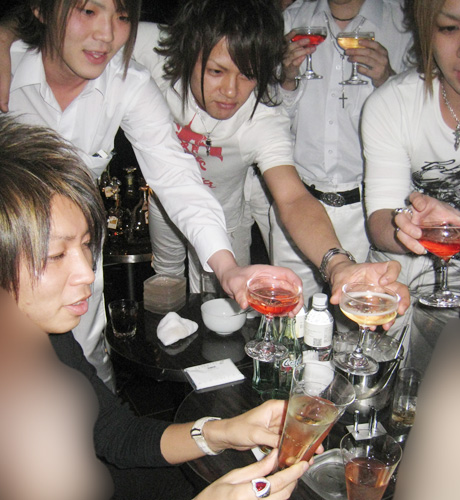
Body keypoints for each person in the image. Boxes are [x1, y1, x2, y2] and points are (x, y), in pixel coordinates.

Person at [0, 114, 310, 500]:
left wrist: (224, 432)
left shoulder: (46, 336)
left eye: (85, 245)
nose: (87, 273)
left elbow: (117, 435)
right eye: (56, 255)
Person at [0, 0, 305, 389]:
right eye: (88, 11)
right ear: (42, 9)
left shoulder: (128, 83)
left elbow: (175, 175)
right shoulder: (9, 64)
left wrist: (227, 269)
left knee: (86, 372)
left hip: (78, 261)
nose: (107, 34)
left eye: (123, 16)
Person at [127, 0, 410, 317]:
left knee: (221, 305)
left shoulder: (262, 119)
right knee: (164, 282)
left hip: (225, 217)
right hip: (165, 199)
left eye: (247, 75)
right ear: (187, 54)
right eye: (216, 71)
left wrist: (338, 264)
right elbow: (94, 33)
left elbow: (293, 198)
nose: (231, 91)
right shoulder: (159, 50)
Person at [272, 0, 413, 311]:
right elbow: (270, 119)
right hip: (296, 205)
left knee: (360, 319)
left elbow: (419, 126)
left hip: (368, 214)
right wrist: (287, 78)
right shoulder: (290, 20)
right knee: (288, 317)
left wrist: (389, 81)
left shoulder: (403, 24)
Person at [361, 0, 460, 369]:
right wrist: (410, 227)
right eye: (450, 28)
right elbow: (380, 219)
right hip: (396, 283)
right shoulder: (393, 103)